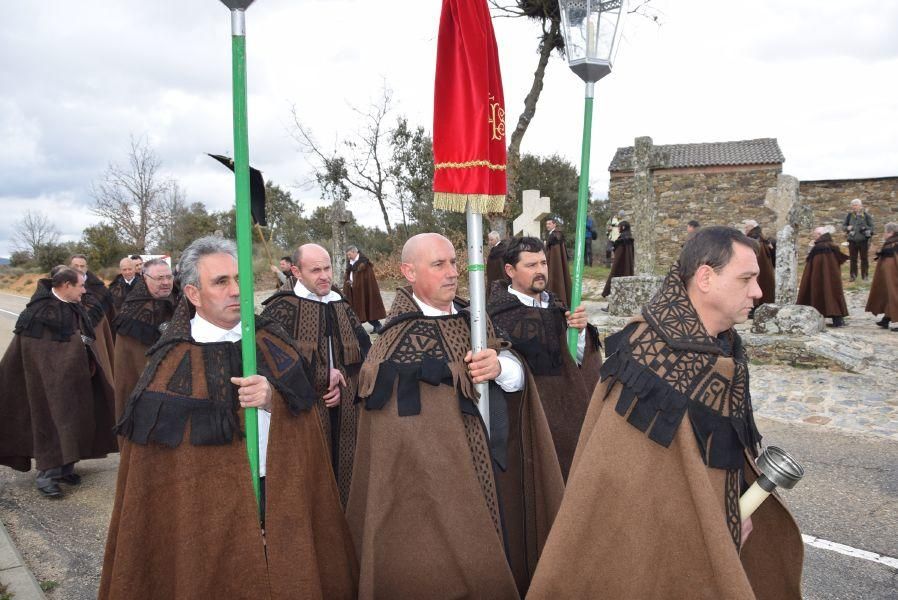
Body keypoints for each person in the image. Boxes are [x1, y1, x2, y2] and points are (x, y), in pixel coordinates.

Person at [528, 226, 804, 599]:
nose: (757, 291)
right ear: (705, 278)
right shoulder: (650, 356)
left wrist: (735, 500)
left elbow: (718, 446)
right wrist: (707, 522)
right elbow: (630, 486)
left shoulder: (723, 345)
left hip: (722, 519)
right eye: (747, 279)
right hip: (659, 540)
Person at [99, 236, 357, 599]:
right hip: (205, 515)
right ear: (192, 293)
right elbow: (153, 472)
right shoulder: (169, 362)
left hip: (280, 492)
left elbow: (308, 418)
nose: (236, 290)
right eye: (221, 282)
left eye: (240, 279)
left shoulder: (272, 341)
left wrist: (273, 401)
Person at [347, 233, 563, 599]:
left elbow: (515, 374)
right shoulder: (392, 340)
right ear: (408, 272)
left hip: (497, 472)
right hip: (433, 493)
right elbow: (394, 437)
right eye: (438, 265)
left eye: (453, 263)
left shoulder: (473, 319)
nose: (452, 273)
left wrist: (500, 366)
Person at [261, 243, 371, 507]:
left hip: (345, 411)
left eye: (327, 268)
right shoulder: (280, 309)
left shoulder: (340, 304)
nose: (324, 276)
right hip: (303, 412)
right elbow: (270, 363)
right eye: (315, 270)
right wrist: (321, 378)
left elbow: (366, 353)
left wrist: (345, 383)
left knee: (347, 477)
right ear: (297, 272)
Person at [487, 236, 602, 480]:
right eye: (531, 265)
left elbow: (580, 362)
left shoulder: (558, 307)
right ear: (510, 270)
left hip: (572, 419)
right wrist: (500, 367)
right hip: (531, 425)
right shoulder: (498, 315)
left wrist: (580, 332)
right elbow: (508, 373)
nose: (540, 271)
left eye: (543, 263)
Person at [0, 266, 117, 498]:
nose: (85, 290)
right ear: (66, 286)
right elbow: (37, 353)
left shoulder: (73, 306)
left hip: (77, 380)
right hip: (47, 386)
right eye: (80, 285)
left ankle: (65, 469)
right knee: (53, 426)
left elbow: (82, 336)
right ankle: (47, 476)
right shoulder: (40, 311)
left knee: (76, 424)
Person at [111, 258, 175, 422]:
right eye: (160, 278)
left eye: (169, 277)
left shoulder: (181, 300)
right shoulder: (131, 314)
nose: (166, 282)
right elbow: (130, 367)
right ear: (145, 278)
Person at [797, 226, 849, 327]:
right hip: (833, 277)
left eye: (815, 235)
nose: (814, 237)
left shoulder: (819, 247)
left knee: (819, 293)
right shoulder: (833, 245)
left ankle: (816, 319)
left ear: (820, 235)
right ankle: (838, 320)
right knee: (833, 294)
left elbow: (815, 264)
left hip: (819, 278)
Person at [343, 245, 386, 334]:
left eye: (349, 254)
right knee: (354, 309)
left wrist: (354, 284)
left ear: (355, 252)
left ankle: (377, 325)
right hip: (352, 290)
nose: (348, 257)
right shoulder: (350, 262)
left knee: (367, 307)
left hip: (363, 291)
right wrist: (348, 282)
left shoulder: (364, 263)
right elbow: (349, 274)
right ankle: (358, 329)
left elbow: (367, 280)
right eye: (347, 255)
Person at [865, 222, 898, 332]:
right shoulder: (892, 242)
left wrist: (878, 251)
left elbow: (891, 253)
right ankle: (887, 318)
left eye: (885, 232)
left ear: (890, 232)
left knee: (894, 294)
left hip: (894, 275)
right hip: (890, 275)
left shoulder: (895, 242)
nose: (883, 234)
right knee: (889, 294)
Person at [742, 219, 776, 309]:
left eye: (746, 227)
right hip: (763, 270)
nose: (745, 229)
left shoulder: (754, 239)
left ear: (752, 228)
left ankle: (755, 307)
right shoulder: (761, 238)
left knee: (758, 285)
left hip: (758, 269)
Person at [601, 220, 635, 298]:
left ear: (623, 227)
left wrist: (614, 268)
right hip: (627, 267)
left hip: (619, 267)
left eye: (619, 227)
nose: (618, 229)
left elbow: (619, 255)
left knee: (614, 284)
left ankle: (611, 305)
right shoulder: (629, 239)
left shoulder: (622, 240)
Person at [843, 198, 874, 281]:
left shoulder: (866, 215)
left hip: (863, 241)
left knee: (864, 259)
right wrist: (847, 227)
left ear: (860, 206)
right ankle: (853, 276)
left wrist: (865, 228)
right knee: (853, 259)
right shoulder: (849, 215)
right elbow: (843, 227)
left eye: (856, 205)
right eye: (853, 205)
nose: (854, 207)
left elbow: (872, 228)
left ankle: (865, 276)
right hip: (852, 241)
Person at [544, 215, 572, 306]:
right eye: (546, 224)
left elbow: (555, 254)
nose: (547, 225)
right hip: (555, 264)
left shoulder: (555, 235)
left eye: (549, 223)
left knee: (556, 277)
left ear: (554, 224)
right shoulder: (556, 234)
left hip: (555, 265)